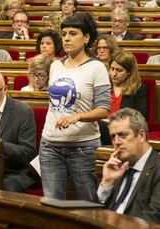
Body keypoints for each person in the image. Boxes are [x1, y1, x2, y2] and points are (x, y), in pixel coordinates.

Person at [40, 12, 111, 201]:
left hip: (83, 146)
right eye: (64, 34)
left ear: (86, 37)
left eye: (73, 33)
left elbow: (104, 109)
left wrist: (77, 117)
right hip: (50, 145)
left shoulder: (97, 68)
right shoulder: (56, 66)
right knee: (51, 205)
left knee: (87, 205)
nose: (67, 38)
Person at [97, 108, 160, 224]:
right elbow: (95, 213)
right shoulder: (118, 168)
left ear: (141, 135)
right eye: (113, 137)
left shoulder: (157, 168)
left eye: (122, 135)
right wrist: (106, 183)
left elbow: (153, 218)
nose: (116, 142)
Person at [99, 49, 147, 145]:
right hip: (99, 131)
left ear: (129, 72)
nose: (114, 74)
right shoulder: (102, 85)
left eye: (119, 70)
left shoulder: (138, 88)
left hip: (123, 131)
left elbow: (140, 116)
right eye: (112, 69)